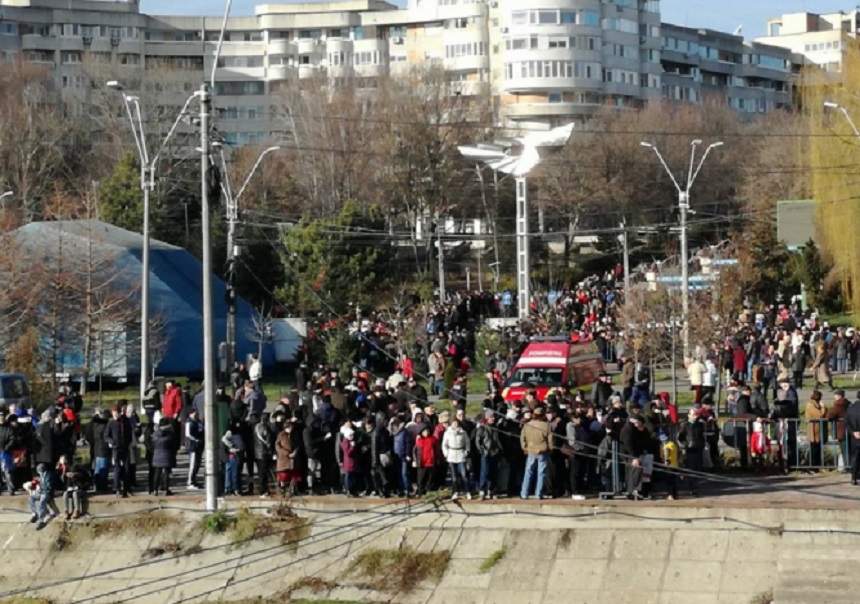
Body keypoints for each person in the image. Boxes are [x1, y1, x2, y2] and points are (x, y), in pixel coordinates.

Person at [519, 406, 553, 500]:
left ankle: (524, 493)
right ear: (542, 415)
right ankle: (538, 494)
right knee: (541, 473)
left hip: (530, 450)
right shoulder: (547, 426)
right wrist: (550, 449)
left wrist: (524, 448)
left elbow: (522, 438)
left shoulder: (527, 424)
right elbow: (550, 441)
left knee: (528, 472)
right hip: (543, 451)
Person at [106, 405, 133, 497]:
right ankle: (117, 488)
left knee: (126, 468)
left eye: (117, 413)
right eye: (114, 413)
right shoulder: (111, 423)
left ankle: (126, 488)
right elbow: (106, 435)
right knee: (117, 468)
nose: (116, 415)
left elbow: (129, 433)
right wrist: (111, 442)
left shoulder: (124, 421)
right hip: (116, 448)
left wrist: (128, 442)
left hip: (124, 447)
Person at [442, 417, 471, 500]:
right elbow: (444, 444)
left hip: (461, 454)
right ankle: (455, 492)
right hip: (451, 455)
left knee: (464, 474)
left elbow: (467, 443)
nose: (455, 424)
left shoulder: (463, 432)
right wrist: (446, 453)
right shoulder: (447, 433)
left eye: (456, 423)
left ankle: (467, 491)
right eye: (453, 423)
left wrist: (466, 452)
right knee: (454, 476)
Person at [474, 411, 501, 500]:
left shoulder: (495, 427)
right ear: (486, 418)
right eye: (491, 417)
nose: (493, 418)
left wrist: (499, 450)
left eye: (493, 417)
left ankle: (492, 491)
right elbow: (478, 441)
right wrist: (482, 451)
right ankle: (482, 491)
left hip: (495, 453)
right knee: (484, 473)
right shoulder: (482, 428)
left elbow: (497, 440)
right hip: (486, 453)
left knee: (493, 473)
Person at [151, 418, 175, 496]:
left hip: (157, 454)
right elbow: (173, 443)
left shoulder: (155, 434)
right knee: (166, 473)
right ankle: (166, 489)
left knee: (157, 473)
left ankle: (155, 490)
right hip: (167, 454)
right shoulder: (170, 434)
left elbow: (152, 443)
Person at [275, 419, 299, 496]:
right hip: (283, 459)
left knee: (293, 475)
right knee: (283, 476)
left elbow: (297, 445)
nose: (291, 428)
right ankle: (282, 490)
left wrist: (295, 452)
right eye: (290, 426)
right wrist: (287, 453)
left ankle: (292, 490)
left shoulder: (294, 434)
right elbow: (277, 446)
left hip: (293, 458)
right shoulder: (281, 435)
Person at [254, 412, 275, 497]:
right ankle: (263, 491)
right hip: (264, 453)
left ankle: (263, 490)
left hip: (257, 452)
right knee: (264, 473)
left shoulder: (256, 426)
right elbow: (268, 441)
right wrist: (271, 451)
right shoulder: (265, 428)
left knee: (260, 473)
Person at [805, 390, 827, 469]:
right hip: (813, 430)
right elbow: (819, 415)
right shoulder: (810, 404)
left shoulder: (817, 404)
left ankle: (817, 465)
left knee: (818, 448)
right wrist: (823, 407)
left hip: (818, 430)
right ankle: (813, 466)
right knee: (813, 448)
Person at [221, 423, 245, 496]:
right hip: (234, 456)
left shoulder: (234, 435)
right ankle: (235, 490)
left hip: (234, 456)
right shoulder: (232, 434)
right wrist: (231, 448)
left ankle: (232, 489)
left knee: (233, 474)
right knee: (235, 474)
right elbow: (224, 439)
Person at [413, 426, 437, 496]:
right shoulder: (419, 440)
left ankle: (427, 491)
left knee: (429, 478)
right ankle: (420, 491)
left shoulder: (433, 439)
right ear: (421, 433)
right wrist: (415, 460)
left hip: (431, 462)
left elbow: (436, 449)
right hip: (422, 463)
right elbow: (414, 451)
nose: (426, 433)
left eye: (427, 431)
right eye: (424, 431)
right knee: (421, 478)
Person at [185, 408, 204, 490]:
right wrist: (196, 439)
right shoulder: (189, 422)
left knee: (197, 464)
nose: (195, 414)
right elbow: (188, 434)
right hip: (192, 446)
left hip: (198, 446)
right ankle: (190, 482)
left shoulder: (197, 421)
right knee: (193, 464)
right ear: (190, 414)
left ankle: (194, 480)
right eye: (194, 413)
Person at [846, 392, 860, 485]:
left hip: (855, 436)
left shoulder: (850, 408)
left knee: (855, 457)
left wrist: (853, 432)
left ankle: (854, 477)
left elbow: (846, 423)